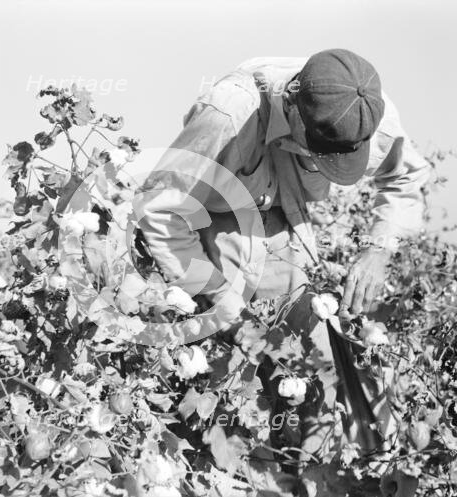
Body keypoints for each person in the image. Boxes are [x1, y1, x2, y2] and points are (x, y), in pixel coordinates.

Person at [134, 49, 431, 469]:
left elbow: (407, 177)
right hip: (217, 231)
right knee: (243, 387)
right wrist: (215, 293)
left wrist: (378, 249)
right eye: (319, 153)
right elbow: (160, 210)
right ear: (292, 102)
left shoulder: (366, 112)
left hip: (292, 233)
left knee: (319, 379)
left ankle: (325, 472)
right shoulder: (228, 115)